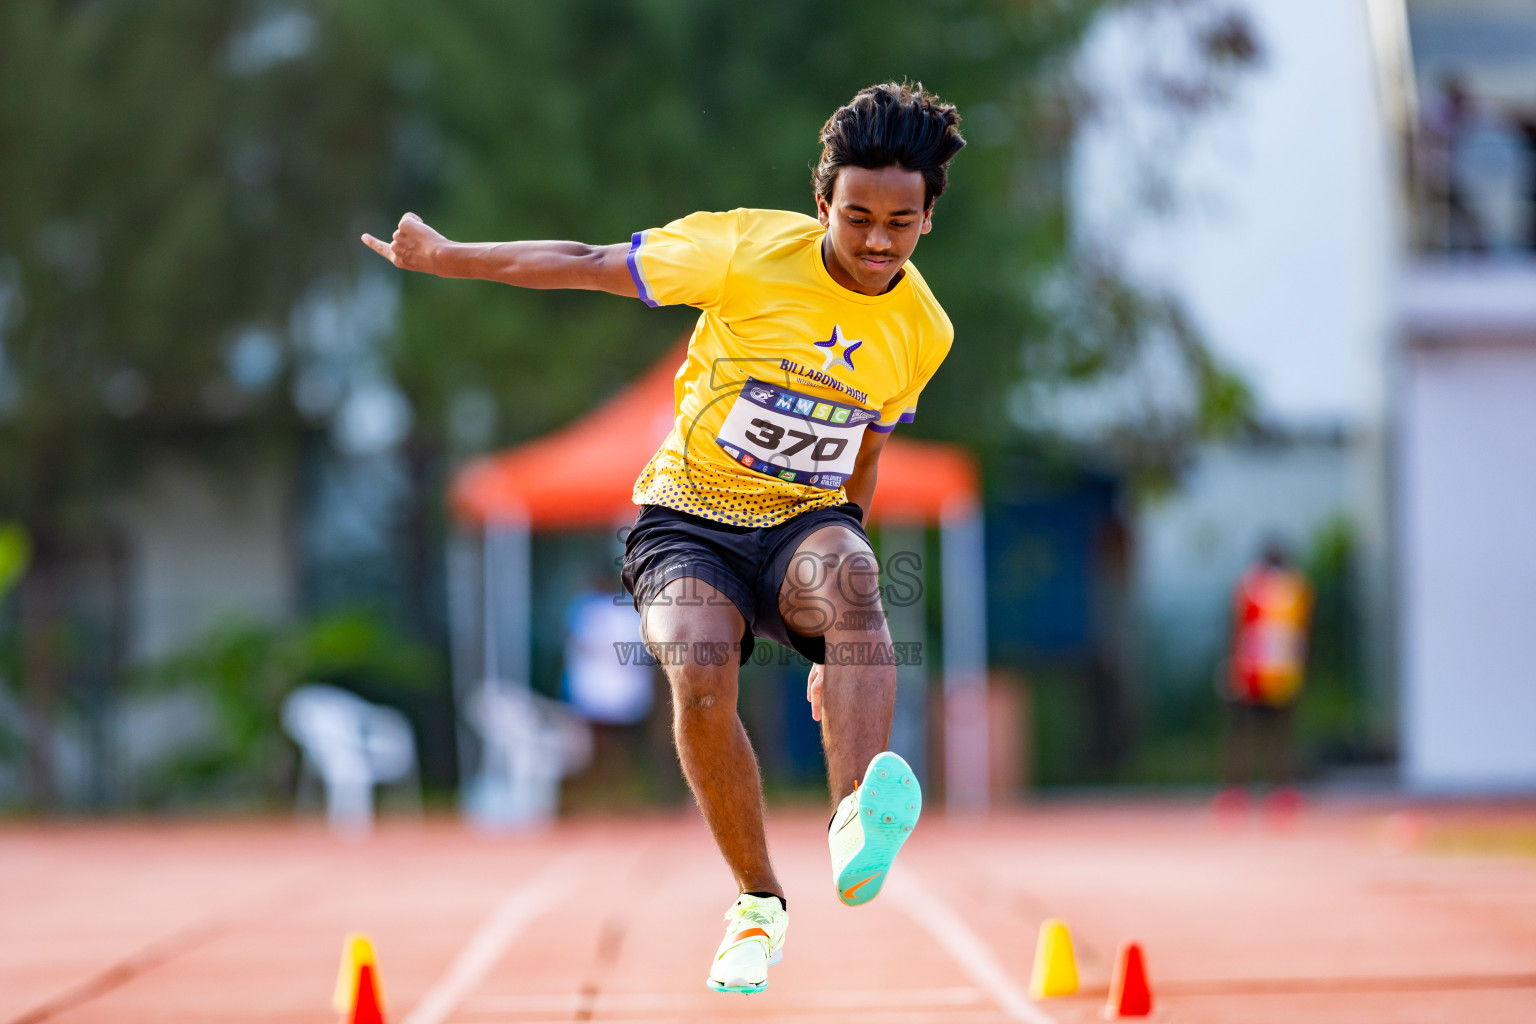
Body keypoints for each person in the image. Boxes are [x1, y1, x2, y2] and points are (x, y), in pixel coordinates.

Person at [363, 82, 963, 994]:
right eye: (857, 217)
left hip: (805, 521)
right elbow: (591, 260)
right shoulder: (746, 250)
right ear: (821, 203)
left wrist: (836, 645)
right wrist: (451, 258)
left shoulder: (923, 329)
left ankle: (855, 821)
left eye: (900, 224)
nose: (877, 242)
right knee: (697, 664)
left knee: (854, 581)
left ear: (928, 218)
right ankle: (757, 903)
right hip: (688, 519)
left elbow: (866, 455)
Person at [1218, 538, 1313, 819]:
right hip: (1283, 672)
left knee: (1242, 735)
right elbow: (1305, 631)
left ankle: (1236, 791)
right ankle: (1281, 791)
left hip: (1252, 671)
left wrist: (1232, 664)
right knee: (1279, 736)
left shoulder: (1249, 586)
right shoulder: (1297, 587)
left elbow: (1237, 628)